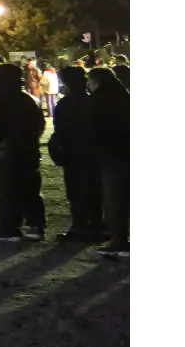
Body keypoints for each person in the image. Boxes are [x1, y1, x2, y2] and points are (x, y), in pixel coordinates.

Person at [0, 62, 46, 242]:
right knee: (30, 190)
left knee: (8, 191)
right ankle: (36, 225)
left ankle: (10, 228)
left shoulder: (2, 102)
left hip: (9, 152)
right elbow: (39, 125)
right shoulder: (27, 100)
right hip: (29, 151)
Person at [48, 65, 106, 243]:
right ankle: (96, 225)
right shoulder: (93, 100)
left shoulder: (66, 104)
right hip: (94, 154)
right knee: (95, 191)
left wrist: (58, 149)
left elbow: (62, 132)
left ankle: (81, 226)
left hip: (74, 154)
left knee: (76, 192)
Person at [88, 67, 136, 259]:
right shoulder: (125, 96)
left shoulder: (98, 101)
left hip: (112, 157)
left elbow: (94, 131)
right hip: (130, 154)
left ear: (96, 82)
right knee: (132, 199)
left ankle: (119, 242)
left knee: (115, 201)